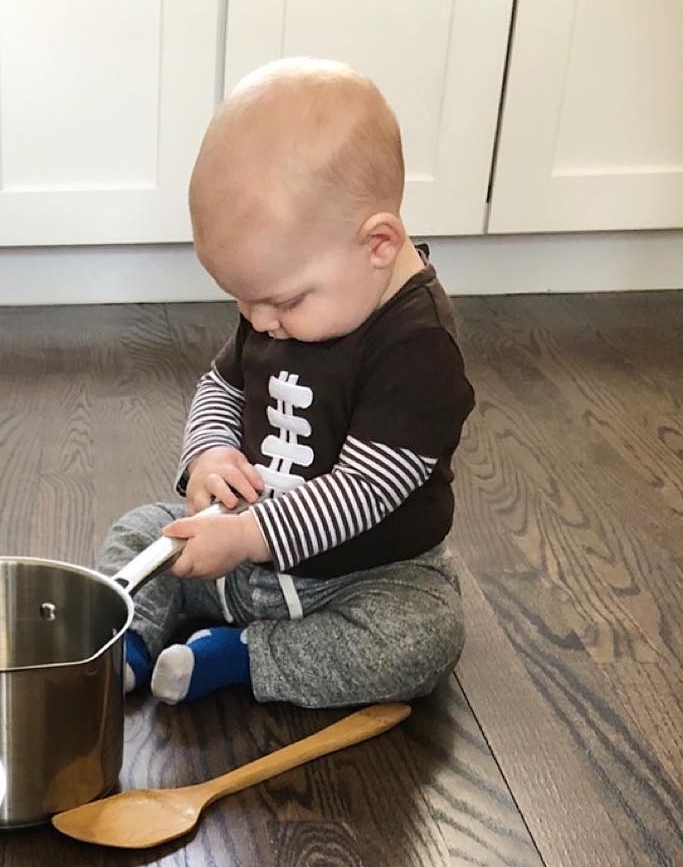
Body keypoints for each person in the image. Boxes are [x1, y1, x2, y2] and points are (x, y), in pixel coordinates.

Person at [103, 58, 474, 709]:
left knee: (426, 636)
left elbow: (363, 491)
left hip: (360, 577)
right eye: (246, 302)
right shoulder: (282, 297)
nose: (260, 321)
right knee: (142, 532)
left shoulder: (418, 347)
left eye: (280, 301)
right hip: (238, 550)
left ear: (378, 243)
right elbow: (223, 385)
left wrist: (248, 537)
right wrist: (209, 455)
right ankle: (125, 644)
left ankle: (247, 658)